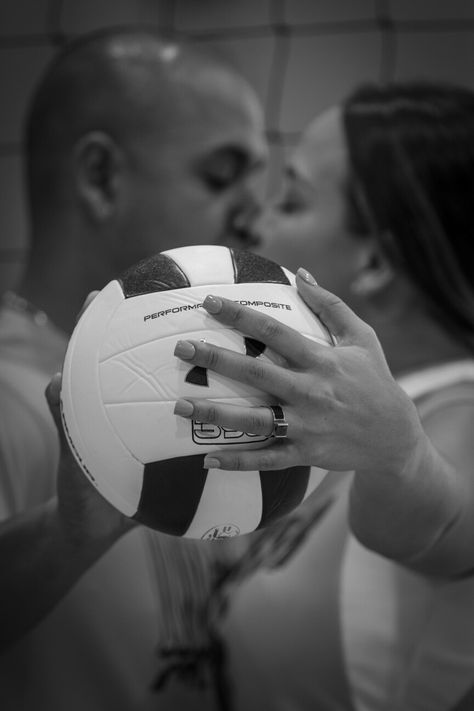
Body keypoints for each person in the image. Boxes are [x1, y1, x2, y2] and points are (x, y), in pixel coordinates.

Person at [172, 81, 474, 710]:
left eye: (290, 200)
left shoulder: (455, 418)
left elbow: (446, 523)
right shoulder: (322, 421)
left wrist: (401, 456)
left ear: (374, 265)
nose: (254, 221)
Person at [0, 27, 266, 711]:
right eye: (220, 173)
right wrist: (66, 534)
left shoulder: (200, 386)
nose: (254, 213)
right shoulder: (9, 389)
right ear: (100, 178)